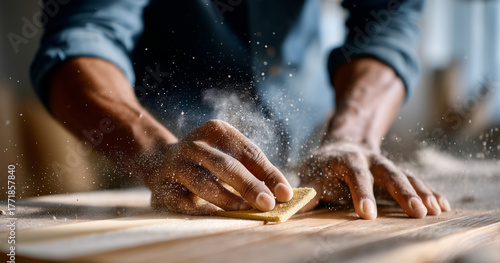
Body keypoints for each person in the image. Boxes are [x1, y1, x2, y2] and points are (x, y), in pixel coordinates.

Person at [31, 0, 450, 219]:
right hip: (147, 149)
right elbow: (84, 34)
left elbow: (386, 21)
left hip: (311, 135)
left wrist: (352, 135)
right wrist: (154, 152)